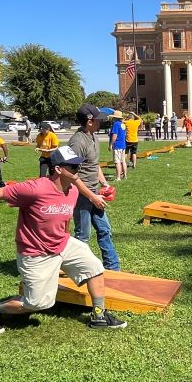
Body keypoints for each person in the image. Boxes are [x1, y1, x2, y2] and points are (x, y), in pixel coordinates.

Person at [0, 146, 126, 334]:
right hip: (36, 253)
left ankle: (98, 316)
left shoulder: (72, 190)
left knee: (94, 267)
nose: (78, 169)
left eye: (79, 165)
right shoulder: (35, 189)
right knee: (38, 303)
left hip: (62, 243)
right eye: (73, 167)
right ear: (58, 169)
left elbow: (64, 220)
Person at [68, 104, 120, 271]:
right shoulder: (77, 142)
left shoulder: (93, 137)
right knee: (82, 236)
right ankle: (80, 270)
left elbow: (94, 165)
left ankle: (113, 268)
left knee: (104, 229)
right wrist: (91, 196)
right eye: (98, 120)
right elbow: (71, 175)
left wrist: (104, 183)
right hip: (81, 195)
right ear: (89, 121)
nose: (101, 123)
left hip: (94, 192)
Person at [109, 110, 127, 181]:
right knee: (123, 161)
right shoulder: (122, 124)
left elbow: (114, 135)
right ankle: (125, 176)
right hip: (123, 145)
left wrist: (111, 144)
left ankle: (118, 177)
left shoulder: (116, 124)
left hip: (117, 145)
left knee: (117, 162)